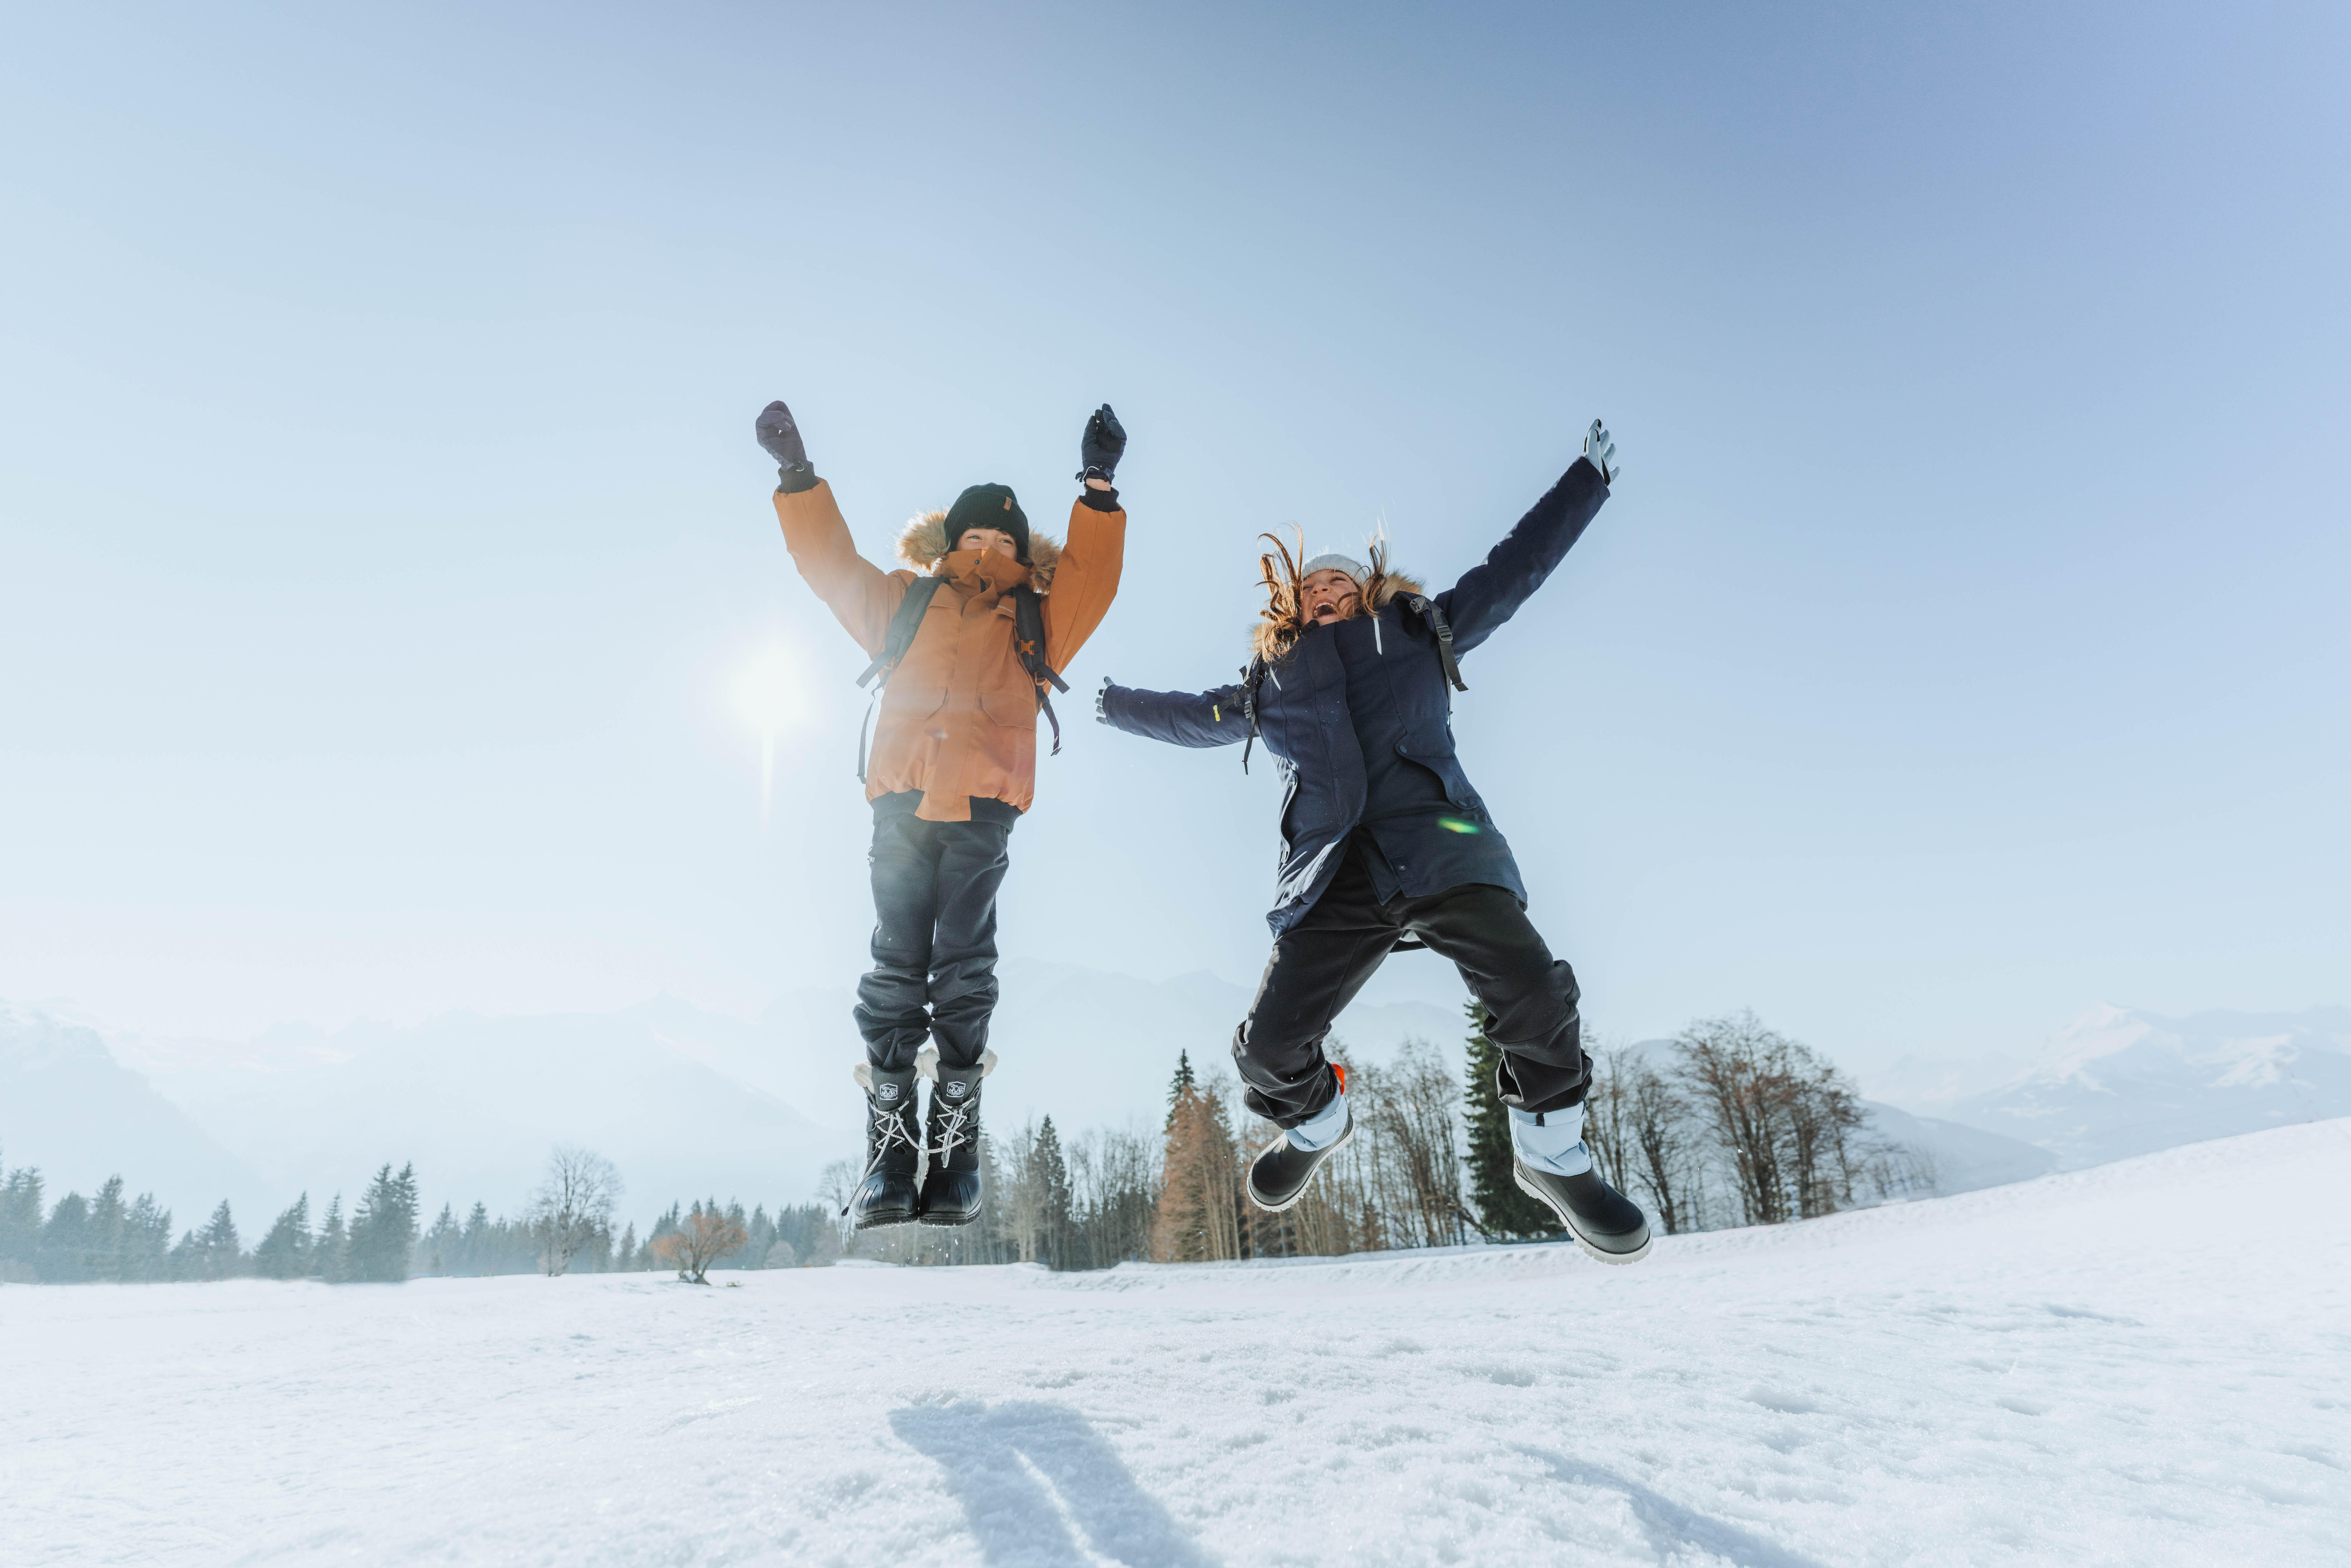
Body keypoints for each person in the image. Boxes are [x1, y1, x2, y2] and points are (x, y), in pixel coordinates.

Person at [1093, 420, 1649, 1263]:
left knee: (1536, 992)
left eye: (1341, 585)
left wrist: (1588, 481)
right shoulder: (1272, 684)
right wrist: (1110, 703)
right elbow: (1187, 718)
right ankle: (1319, 1116)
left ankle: (1552, 1149)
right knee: (1266, 1051)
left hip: (1439, 844)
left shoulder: (1424, 633)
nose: (1326, 594)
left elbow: (1517, 568)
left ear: (1369, 590)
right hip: (1336, 874)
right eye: (1313, 588)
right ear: (1293, 603)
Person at [756, 399, 1128, 1230]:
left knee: (964, 971)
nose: (989, 554)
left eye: (1004, 543)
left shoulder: (1037, 618)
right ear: (948, 544)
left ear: (1022, 554)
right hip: (902, 803)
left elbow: (1093, 582)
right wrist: (797, 476)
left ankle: (954, 1149)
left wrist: (1097, 491)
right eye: (974, 540)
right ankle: (889, 1153)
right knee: (894, 968)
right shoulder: (907, 606)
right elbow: (832, 569)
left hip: (985, 810)